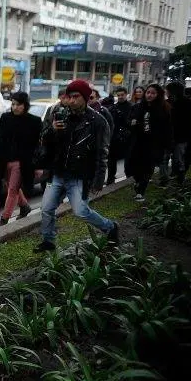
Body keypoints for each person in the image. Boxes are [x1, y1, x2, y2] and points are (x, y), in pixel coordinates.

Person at [34, 79, 118, 253]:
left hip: (79, 175)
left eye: (76, 97)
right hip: (58, 172)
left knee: (81, 211)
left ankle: (110, 227)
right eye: (69, 97)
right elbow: (45, 142)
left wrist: (98, 179)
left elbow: (103, 152)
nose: (71, 101)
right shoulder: (60, 114)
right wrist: (52, 130)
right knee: (47, 209)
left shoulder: (97, 121)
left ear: (86, 97)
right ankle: (48, 241)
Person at [0, 91, 41, 226]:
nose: (15, 107)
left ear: (25, 105)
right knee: (10, 186)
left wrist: (37, 165)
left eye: (18, 104)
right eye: (13, 104)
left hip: (21, 162)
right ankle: (24, 206)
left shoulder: (34, 121)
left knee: (12, 190)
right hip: (5, 159)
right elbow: (1, 140)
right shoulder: (5, 117)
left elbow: (37, 145)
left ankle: (4, 220)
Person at [126, 84, 172, 202]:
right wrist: (132, 123)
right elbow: (129, 120)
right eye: (148, 93)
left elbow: (166, 129)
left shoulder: (163, 109)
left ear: (158, 95)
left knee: (147, 167)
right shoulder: (138, 107)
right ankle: (138, 181)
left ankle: (141, 191)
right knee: (132, 166)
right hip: (137, 142)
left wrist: (166, 145)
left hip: (153, 144)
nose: (149, 95)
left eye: (153, 93)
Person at [165, 81, 191, 185]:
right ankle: (166, 177)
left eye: (168, 90)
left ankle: (180, 177)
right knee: (164, 158)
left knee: (178, 158)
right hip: (167, 135)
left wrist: (184, 129)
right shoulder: (167, 102)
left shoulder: (188, 103)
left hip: (181, 136)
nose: (166, 92)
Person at [107, 87, 132, 185]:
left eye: (122, 95)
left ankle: (128, 179)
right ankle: (110, 179)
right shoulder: (113, 107)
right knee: (111, 161)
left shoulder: (131, 107)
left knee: (128, 161)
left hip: (127, 138)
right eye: (118, 95)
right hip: (114, 138)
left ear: (126, 95)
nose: (120, 97)